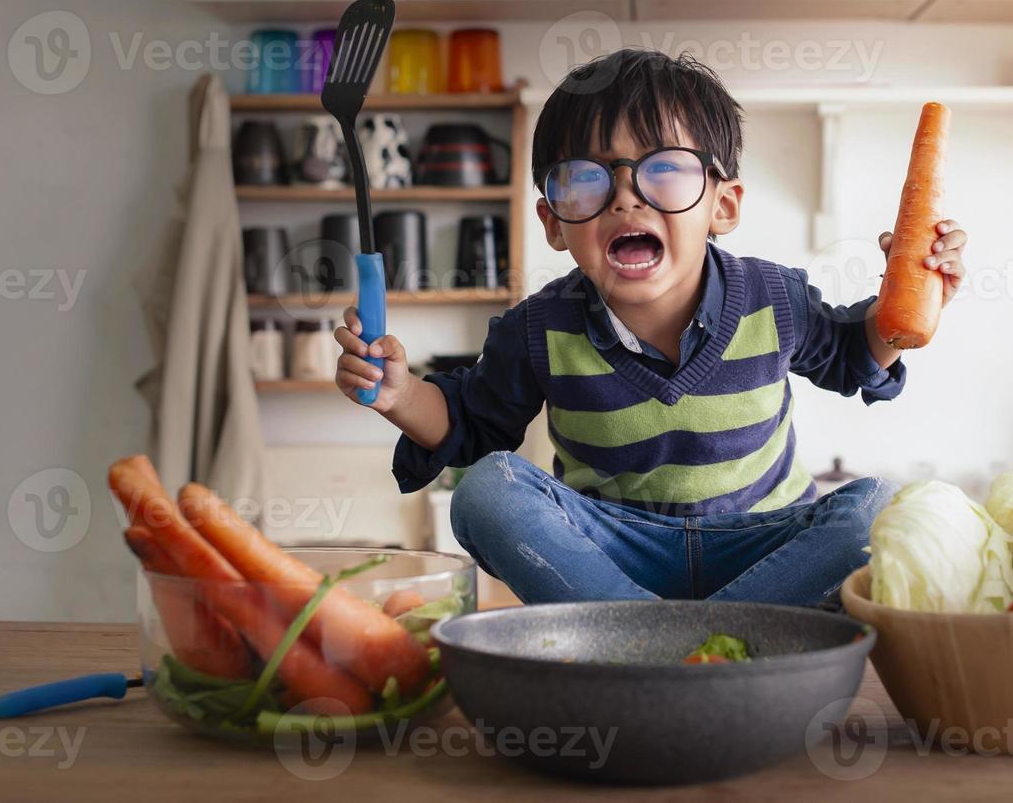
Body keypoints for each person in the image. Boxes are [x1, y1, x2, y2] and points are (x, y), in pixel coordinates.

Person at [333, 49, 968, 606]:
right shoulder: (540, 327)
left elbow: (857, 356)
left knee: (882, 507)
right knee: (487, 493)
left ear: (723, 205)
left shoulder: (773, 299)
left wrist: (904, 298)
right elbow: (471, 425)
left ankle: (653, 641)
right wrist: (398, 393)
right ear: (553, 221)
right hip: (610, 557)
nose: (625, 197)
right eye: (586, 177)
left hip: (761, 550)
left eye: (664, 169)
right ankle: (689, 638)